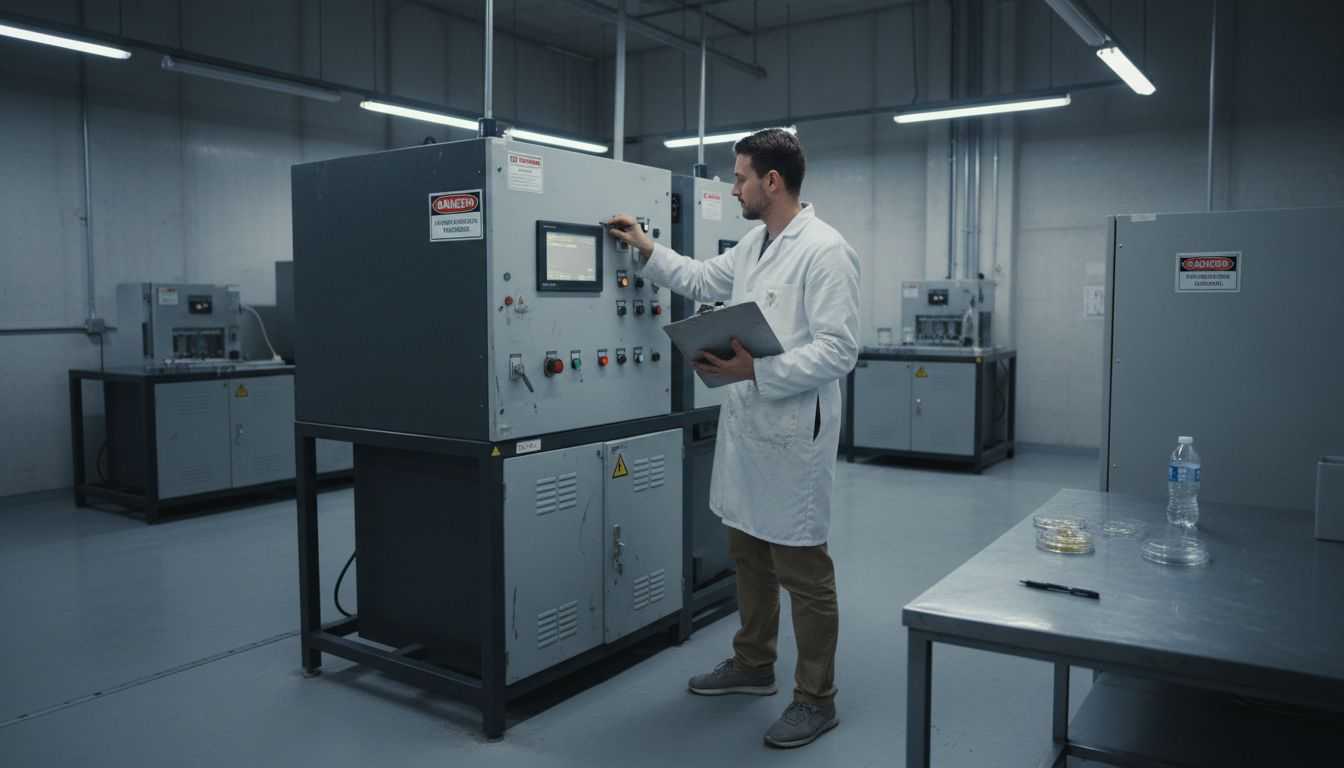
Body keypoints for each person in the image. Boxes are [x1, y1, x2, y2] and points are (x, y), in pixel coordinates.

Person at [607, 128, 860, 749]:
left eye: (741, 177)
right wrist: (645, 247)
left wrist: (760, 370)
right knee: (746, 551)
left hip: (794, 432)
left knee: (802, 568)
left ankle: (816, 697)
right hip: (749, 431)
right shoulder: (755, 244)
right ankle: (753, 665)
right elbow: (699, 279)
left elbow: (840, 349)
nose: (734, 187)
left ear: (772, 181)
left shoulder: (826, 251)